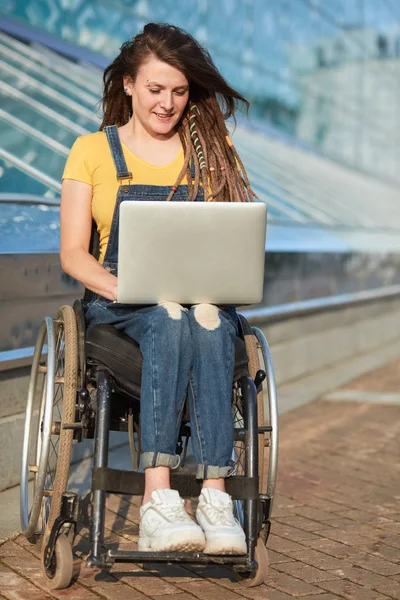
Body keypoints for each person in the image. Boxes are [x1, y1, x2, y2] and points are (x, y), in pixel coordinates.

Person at [60, 23, 256, 555]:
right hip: (119, 305)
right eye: (154, 89)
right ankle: (159, 501)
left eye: (179, 90)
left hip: (199, 305)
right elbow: (74, 253)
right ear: (128, 85)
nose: (167, 103)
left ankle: (216, 499)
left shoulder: (213, 152)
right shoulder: (91, 151)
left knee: (208, 320)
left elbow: (233, 239)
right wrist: (127, 286)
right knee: (169, 315)